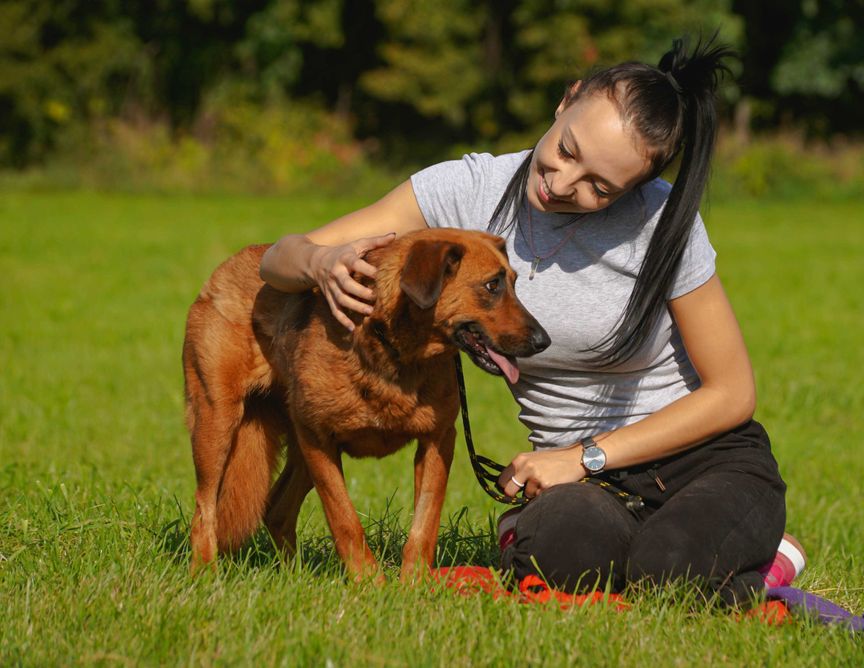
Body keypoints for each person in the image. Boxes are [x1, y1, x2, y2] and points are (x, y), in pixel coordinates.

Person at [259, 37, 794, 605]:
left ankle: (768, 554)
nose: (563, 183)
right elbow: (277, 261)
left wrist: (585, 456)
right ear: (566, 101)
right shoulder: (468, 190)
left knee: (668, 575)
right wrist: (319, 263)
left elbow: (733, 392)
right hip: (588, 487)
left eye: (600, 187)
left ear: (634, 191)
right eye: (567, 150)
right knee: (562, 555)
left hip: (701, 461)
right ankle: (676, 549)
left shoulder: (665, 222)